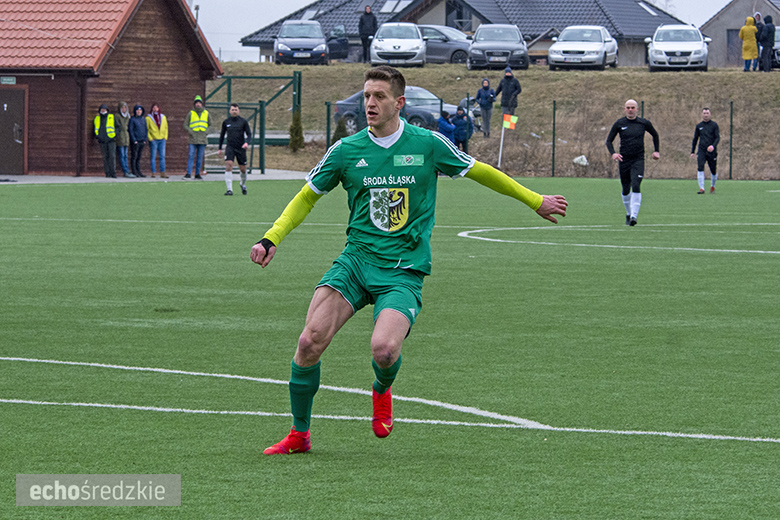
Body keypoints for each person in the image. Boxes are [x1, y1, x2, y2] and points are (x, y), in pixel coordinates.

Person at [250, 65, 568, 455]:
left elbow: (481, 172)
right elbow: (306, 197)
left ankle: (381, 389)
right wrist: (272, 237)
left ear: (399, 103)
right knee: (309, 341)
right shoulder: (346, 151)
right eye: (366, 96)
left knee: (384, 350)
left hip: (403, 270)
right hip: (355, 263)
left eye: (379, 96)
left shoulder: (428, 144)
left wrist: (535, 200)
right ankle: (299, 434)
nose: (370, 103)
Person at [605, 99, 660, 226]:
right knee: (625, 189)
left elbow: (655, 135)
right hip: (624, 160)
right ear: (625, 109)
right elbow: (609, 141)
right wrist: (613, 153)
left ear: (637, 109)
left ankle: (634, 216)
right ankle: (629, 213)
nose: (630, 110)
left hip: (638, 159)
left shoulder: (643, 123)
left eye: (632, 107)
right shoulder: (619, 123)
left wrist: (656, 151)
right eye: (628, 107)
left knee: (636, 185)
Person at [218, 103, 252, 196]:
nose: (234, 111)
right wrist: (219, 148)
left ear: (238, 111)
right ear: (230, 111)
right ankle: (229, 190)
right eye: (232, 110)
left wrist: (246, 143)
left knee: (243, 169)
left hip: (241, 148)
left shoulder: (243, 122)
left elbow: (249, 134)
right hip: (230, 147)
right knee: (229, 165)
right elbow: (222, 135)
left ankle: (242, 184)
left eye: (236, 110)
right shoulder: (226, 122)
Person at [690, 107, 720, 194]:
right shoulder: (699, 126)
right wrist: (692, 151)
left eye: (707, 113)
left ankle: (712, 186)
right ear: (702, 114)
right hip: (702, 150)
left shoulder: (714, 125)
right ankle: (702, 188)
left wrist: (713, 146)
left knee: (713, 170)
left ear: (710, 114)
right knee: (700, 167)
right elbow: (695, 139)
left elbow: (717, 138)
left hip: (711, 151)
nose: (706, 115)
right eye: (704, 113)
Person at [184, 95, 212, 179]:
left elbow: (210, 124)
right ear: (194, 104)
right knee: (191, 156)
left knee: (200, 158)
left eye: (199, 103)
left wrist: (206, 132)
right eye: (197, 103)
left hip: (202, 139)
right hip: (193, 138)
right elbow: (185, 124)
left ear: (201, 104)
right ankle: (188, 173)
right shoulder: (191, 113)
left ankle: (197, 173)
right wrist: (191, 132)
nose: (198, 104)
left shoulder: (206, 113)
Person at [94, 104, 117, 178]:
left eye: (104, 109)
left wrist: (114, 135)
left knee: (112, 157)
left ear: (107, 110)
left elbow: (118, 127)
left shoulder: (111, 117)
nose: (103, 110)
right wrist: (98, 136)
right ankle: (107, 173)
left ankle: (113, 173)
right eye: (102, 109)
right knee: (105, 157)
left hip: (111, 140)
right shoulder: (97, 118)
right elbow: (95, 128)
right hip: (102, 141)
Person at [147, 103, 169, 178]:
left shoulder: (163, 117)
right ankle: (153, 172)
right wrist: (150, 138)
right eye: (154, 108)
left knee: (162, 156)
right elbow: (147, 129)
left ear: (159, 108)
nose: (155, 109)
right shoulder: (149, 118)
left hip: (162, 139)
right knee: (153, 156)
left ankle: (163, 172)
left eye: (156, 107)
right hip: (154, 140)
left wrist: (165, 137)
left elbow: (166, 127)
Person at [128, 104, 148, 178]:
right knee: (134, 156)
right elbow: (131, 130)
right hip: (135, 141)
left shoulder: (143, 119)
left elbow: (146, 129)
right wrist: (134, 140)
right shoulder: (132, 119)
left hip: (142, 141)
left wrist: (145, 139)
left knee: (139, 157)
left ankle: (139, 171)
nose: (139, 111)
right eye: (137, 110)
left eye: (140, 110)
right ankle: (134, 171)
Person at [115, 102, 134, 178]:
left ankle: (127, 170)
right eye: (122, 108)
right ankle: (125, 171)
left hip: (126, 138)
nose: (124, 109)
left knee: (125, 155)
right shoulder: (117, 116)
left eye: (125, 108)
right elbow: (121, 126)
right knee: (122, 155)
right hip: (120, 138)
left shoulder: (127, 116)